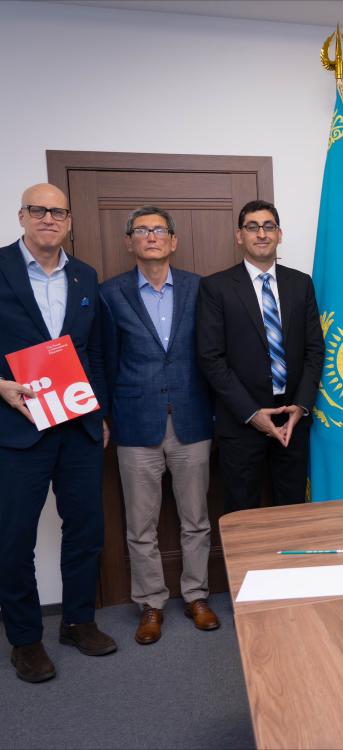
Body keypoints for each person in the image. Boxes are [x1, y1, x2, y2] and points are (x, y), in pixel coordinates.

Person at [0, 183, 115, 683]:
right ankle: (25, 640)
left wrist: (102, 414)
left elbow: (96, 353)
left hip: (79, 427)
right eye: (39, 210)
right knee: (13, 538)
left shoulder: (85, 275)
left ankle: (78, 621)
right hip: (19, 429)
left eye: (58, 211)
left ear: (69, 221)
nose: (49, 218)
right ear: (22, 216)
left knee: (86, 530)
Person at [100, 206, 218, 645]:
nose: (151, 237)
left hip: (191, 419)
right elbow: (104, 360)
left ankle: (196, 595)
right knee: (141, 525)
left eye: (159, 230)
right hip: (134, 422)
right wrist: (104, 415)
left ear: (173, 241)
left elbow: (211, 354)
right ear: (130, 241)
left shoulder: (198, 289)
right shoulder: (110, 294)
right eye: (142, 231)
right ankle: (151, 603)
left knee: (196, 519)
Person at [197, 200, 324, 512]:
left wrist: (302, 405)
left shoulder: (301, 283)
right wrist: (252, 414)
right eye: (252, 227)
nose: (261, 233)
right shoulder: (216, 287)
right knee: (243, 515)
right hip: (241, 423)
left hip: (292, 421)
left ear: (279, 234)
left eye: (269, 226)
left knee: (293, 512)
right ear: (240, 236)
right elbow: (211, 357)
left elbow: (314, 349)